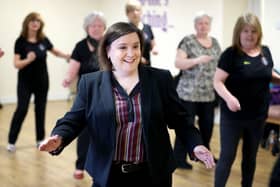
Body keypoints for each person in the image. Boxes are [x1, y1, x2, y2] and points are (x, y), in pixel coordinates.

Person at [39, 22, 215, 187]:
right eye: (123, 47)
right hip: (108, 175)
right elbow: (74, 119)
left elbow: (181, 121)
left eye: (136, 46)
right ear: (108, 51)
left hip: (153, 175)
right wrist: (59, 137)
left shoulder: (160, 79)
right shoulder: (90, 83)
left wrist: (196, 145)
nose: (131, 53)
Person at [213, 12, 280, 187]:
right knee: (228, 157)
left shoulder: (265, 52)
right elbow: (217, 81)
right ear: (238, 33)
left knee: (250, 158)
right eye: (245, 31)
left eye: (253, 31)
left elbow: (266, 73)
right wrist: (229, 98)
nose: (250, 35)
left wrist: (278, 79)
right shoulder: (231, 54)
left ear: (259, 33)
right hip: (233, 116)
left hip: (257, 115)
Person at [7, 12, 70, 152]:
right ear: (27, 23)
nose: (35, 23)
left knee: (40, 109)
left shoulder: (43, 39)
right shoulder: (20, 41)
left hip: (42, 81)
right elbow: (16, 64)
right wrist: (28, 60)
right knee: (22, 108)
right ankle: (11, 141)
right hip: (25, 82)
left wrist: (68, 56)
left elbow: (55, 52)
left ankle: (40, 139)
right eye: (33, 21)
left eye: (38, 21)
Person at [173, 11, 221, 169]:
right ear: (195, 25)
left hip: (208, 94)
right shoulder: (188, 41)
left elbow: (220, 65)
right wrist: (197, 60)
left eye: (206, 23)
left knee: (207, 127)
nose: (203, 26)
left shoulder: (215, 43)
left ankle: (204, 155)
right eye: (200, 23)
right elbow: (178, 63)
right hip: (188, 93)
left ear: (210, 26)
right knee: (186, 126)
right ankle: (179, 158)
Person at [62, 11, 106, 180]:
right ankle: (80, 165)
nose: (96, 28)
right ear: (87, 28)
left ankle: (104, 165)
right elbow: (73, 67)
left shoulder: (110, 43)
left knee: (107, 129)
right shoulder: (80, 46)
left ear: (104, 27)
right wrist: (68, 78)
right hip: (87, 93)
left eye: (99, 25)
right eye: (93, 25)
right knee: (85, 130)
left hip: (108, 91)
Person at [125, 0, 158, 66]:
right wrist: (138, 58)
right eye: (132, 10)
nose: (135, 13)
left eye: (137, 10)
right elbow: (125, 50)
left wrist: (155, 49)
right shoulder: (125, 29)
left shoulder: (147, 27)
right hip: (131, 67)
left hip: (146, 66)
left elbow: (153, 44)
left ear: (141, 12)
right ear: (127, 13)